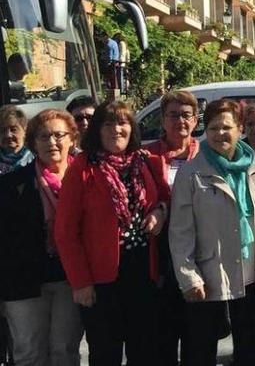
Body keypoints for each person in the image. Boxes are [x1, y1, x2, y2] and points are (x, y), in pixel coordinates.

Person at [55, 100, 169, 366]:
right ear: (97, 130)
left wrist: (160, 212)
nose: (116, 129)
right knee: (106, 353)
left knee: (145, 351)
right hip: (101, 280)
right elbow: (66, 232)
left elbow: (165, 197)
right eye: (108, 123)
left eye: (123, 122)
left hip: (143, 272)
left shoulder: (146, 162)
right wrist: (80, 282)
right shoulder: (83, 167)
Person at [169, 99, 255, 365]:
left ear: (240, 128)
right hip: (210, 279)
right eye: (213, 128)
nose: (219, 134)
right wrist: (189, 278)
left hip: (253, 278)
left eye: (226, 127)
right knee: (201, 352)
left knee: (248, 351)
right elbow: (180, 231)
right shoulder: (192, 173)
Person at [0, 109, 83, 365]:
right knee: (29, 352)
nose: (52, 142)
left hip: (71, 279)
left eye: (59, 135)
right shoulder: (11, 184)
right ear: (33, 142)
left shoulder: (85, 180)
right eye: (43, 136)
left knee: (65, 351)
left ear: (72, 139)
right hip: (23, 282)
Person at [144, 90, 201, 366]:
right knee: (163, 337)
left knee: (196, 336)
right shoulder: (147, 156)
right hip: (161, 254)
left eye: (186, 115)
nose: (180, 120)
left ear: (196, 120)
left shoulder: (206, 154)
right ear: (163, 120)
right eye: (173, 115)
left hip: (198, 255)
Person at [0, 105, 34, 174]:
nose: (8, 135)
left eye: (13, 130)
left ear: (25, 131)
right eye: (2, 130)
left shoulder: (36, 161)